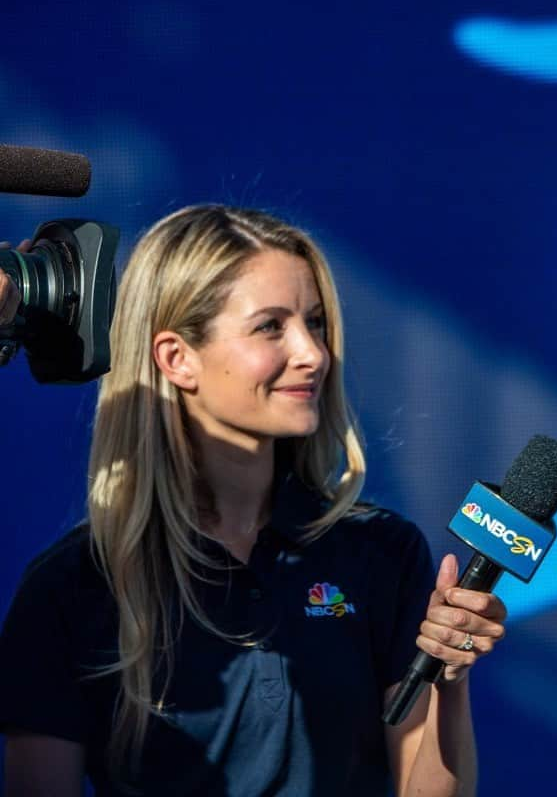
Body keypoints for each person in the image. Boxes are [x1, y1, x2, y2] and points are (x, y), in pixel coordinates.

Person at [0, 205, 508, 796]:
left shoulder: (380, 552)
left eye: (315, 323)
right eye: (271, 327)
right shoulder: (73, 586)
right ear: (176, 358)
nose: (313, 353)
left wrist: (451, 681)